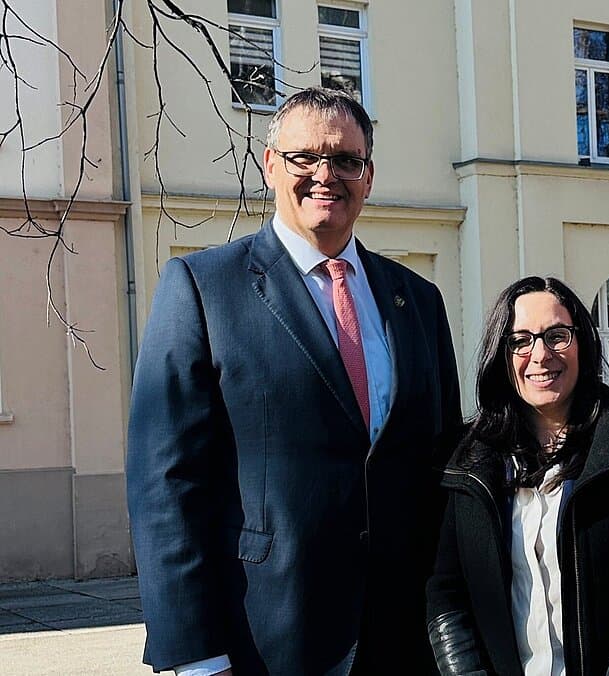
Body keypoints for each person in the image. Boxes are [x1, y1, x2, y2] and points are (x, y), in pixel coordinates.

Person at [126, 88, 461, 675]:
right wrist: (196, 654)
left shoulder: (417, 300)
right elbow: (166, 481)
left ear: (369, 175)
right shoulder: (203, 288)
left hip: (404, 636)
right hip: (265, 635)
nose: (326, 175)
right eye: (305, 157)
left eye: (346, 161)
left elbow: (441, 464)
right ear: (271, 165)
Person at [425, 276, 609, 676]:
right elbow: (446, 595)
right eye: (521, 340)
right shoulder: (467, 463)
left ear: (582, 342)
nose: (541, 354)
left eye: (557, 336)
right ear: (502, 353)